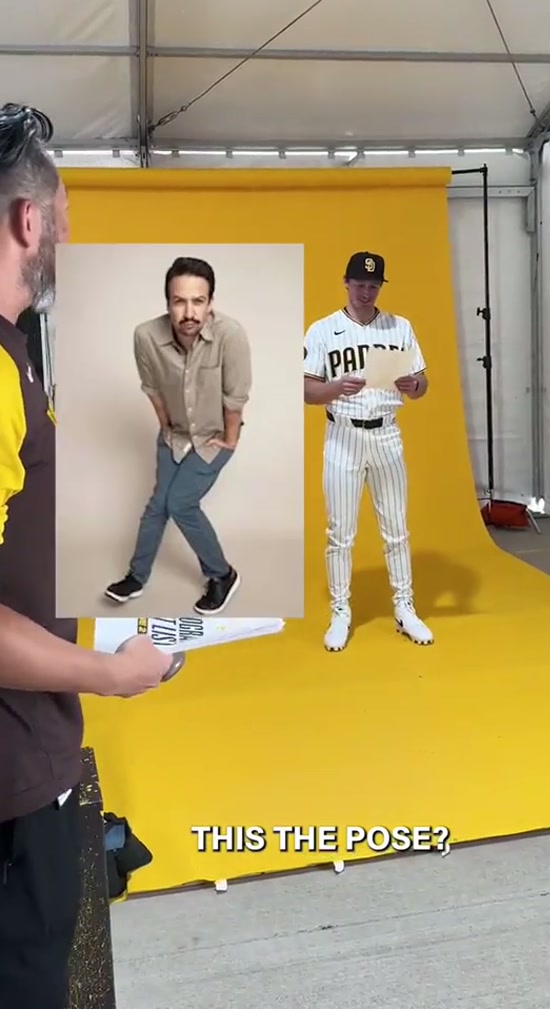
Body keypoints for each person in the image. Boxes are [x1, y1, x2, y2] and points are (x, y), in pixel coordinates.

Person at [0, 103, 172, 1009]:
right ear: (28, 219)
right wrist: (109, 674)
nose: (68, 236)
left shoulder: (17, 354)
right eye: (63, 216)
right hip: (14, 777)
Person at [104, 257, 252, 615]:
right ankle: (136, 577)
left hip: (215, 437)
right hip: (175, 435)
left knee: (180, 503)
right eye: (179, 301)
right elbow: (152, 389)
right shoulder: (146, 336)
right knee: (157, 505)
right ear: (168, 302)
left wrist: (231, 440)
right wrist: (166, 428)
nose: (189, 312)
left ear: (210, 302)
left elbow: (235, 398)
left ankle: (222, 574)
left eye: (198, 301)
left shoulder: (230, 335)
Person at [303, 251, 434, 652]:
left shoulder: (399, 326)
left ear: (380, 287)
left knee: (396, 528)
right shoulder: (323, 330)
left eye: (373, 286)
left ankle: (404, 607)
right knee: (340, 532)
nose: (365, 292)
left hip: (386, 433)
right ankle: (340, 611)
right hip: (343, 436)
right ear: (346, 282)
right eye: (359, 284)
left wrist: (415, 386)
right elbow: (307, 390)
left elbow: (422, 382)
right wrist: (334, 388)